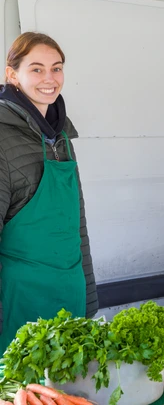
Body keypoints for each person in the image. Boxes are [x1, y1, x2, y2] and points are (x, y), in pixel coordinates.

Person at [0, 32, 98, 352]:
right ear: (12, 74)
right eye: (37, 68)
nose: (49, 78)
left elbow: (76, 224)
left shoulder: (62, 137)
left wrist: (89, 295)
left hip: (69, 293)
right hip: (18, 300)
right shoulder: (3, 136)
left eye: (56, 68)